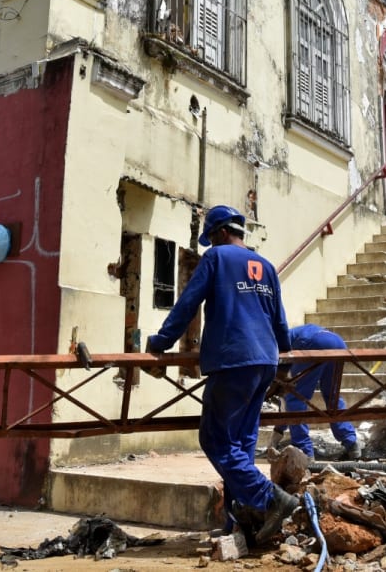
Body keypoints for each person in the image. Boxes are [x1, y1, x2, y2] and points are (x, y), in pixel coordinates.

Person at [147, 205, 299, 544]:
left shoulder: (215, 259)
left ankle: (269, 498)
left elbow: (188, 304)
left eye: (211, 238)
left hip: (234, 359)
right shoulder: (267, 266)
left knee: (214, 439)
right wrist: (284, 354)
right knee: (241, 444)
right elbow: (279, 319)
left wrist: (161, 341)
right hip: (265, 361)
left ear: (217, 233)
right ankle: (241, 521)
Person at [272, 324, 361, 460]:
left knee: (296, 397)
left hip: (313, 343)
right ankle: (351, 443)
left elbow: (285, 399)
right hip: (338, 342)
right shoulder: (293, 335)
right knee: (333, 395)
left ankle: (304, 452)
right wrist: (278, 431)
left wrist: (277, 434)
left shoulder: (277, 344)